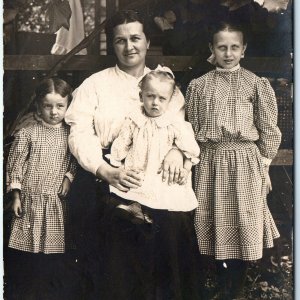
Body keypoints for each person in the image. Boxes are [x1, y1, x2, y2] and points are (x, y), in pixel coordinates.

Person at [65, 9, 203, 300]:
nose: (129, 47)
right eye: (120, 40)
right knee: (116, 231)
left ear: (147, 41)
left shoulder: (165, 85)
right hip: (108, 173)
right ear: (112, 45)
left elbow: (180, 127)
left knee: (171, 228)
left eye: (135, 38)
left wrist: (178, 152)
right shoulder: (95, 85)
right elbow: (80, 134)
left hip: (159, 175)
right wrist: (104, 169)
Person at [185, 20, 281, 299]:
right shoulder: (198, 86)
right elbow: (190, 126)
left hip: (245, 162)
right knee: (213, 219)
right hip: (210, 161)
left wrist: (264, 165)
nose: (228, 53)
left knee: (242, 220)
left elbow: (268, 128)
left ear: (244, 49)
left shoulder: (255, 84)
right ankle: (219, 283)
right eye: (222, 47)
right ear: (212, 49)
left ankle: (236, 289)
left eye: (234, 47)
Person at [5, 78, 78, 299]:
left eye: (60, 106)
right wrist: (16, 196)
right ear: (39, 106)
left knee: (54, 253)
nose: (54, 112)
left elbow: (74, 160)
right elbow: (15, 164)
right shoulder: (28, 133)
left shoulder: (70, 134)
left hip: (55, 200)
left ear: (68, 106)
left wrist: (68, 177)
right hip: (31, 199)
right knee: (28, 252)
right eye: (48, 106)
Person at [107, 66, 200, 224]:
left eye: (162, 98)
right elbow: (122, 142)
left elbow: (190, 148)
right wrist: (117, 164)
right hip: (140, 167)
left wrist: (186, 168)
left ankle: (151, 214)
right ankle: (137, 209)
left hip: (160, 172)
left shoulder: (174, 123)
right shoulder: (134, 119)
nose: (155, 103)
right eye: (150, 96)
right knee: (134, 186)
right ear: (141, 96)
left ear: (170, 100)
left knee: (165, 195)